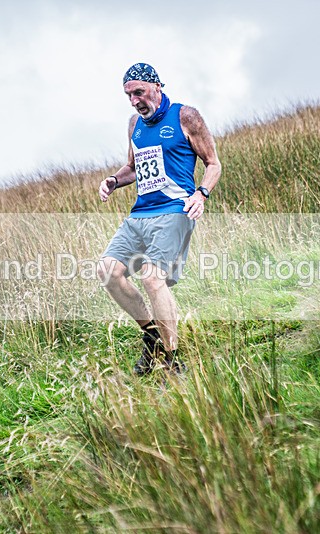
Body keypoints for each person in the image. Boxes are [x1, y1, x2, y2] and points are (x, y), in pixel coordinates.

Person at [98, 63, 221, 376]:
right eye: (128, 95)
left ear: (157, 87)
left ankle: (172, 358)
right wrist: (113, 180)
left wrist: (201, 193)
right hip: (140, 213)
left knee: (152, 278)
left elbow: (213, 163)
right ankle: (151, 336)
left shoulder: (185, 116)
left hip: (174, 210)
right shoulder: (134, 124)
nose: (135, 101)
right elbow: (132, 167)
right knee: (108, 272)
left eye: (139, 92)